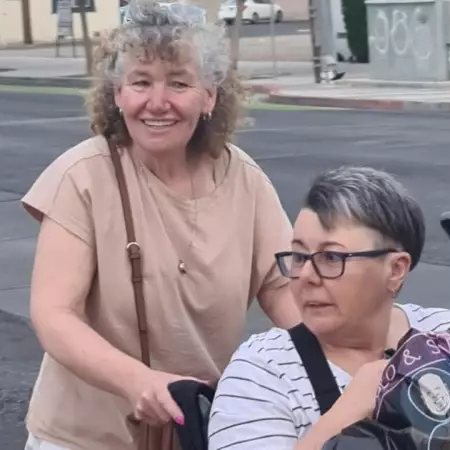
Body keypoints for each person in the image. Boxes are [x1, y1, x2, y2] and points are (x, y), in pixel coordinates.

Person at [21, 1, 300, 449]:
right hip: (85, 439)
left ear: (210, 95)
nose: (157, 102)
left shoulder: (244, 179)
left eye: (179, 83)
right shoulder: (83, 176)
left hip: (196, 432)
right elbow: (54, 315)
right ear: (116, 93)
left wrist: (337, 368)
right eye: (141, 82)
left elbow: (287, 291)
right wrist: (138, 381)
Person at [206, 166, 450, 450]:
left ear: (396, 269)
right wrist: (351, 408)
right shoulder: (261, 372)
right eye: (300, 255)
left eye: (332, 257)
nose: (306, 276)